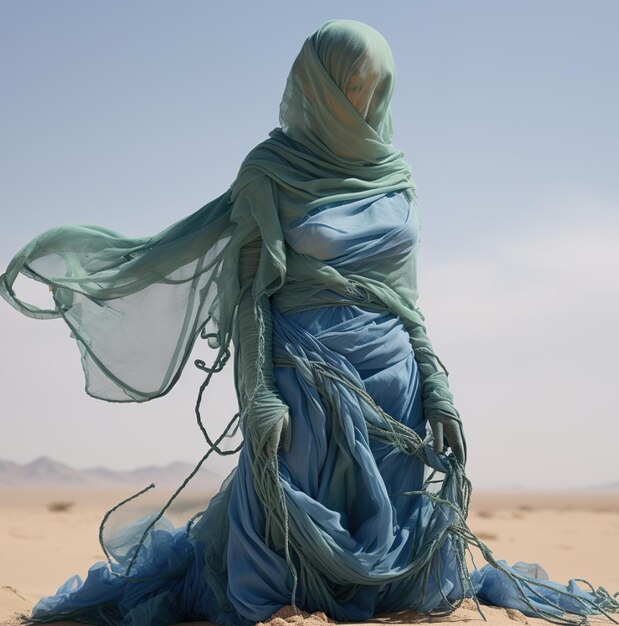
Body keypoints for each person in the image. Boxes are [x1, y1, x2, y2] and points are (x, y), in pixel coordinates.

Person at [1, 19, 617, 626]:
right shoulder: (271, 171)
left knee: (401, 550)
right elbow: (251, 299)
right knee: (286, 533)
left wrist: (439, 389)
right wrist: (260, 396)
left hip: (392, 385)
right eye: (348, 82)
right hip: (305, 378)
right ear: (315, 83)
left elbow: (408, 301)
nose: (361, 97)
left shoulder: (396, 177)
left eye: (373, 85)